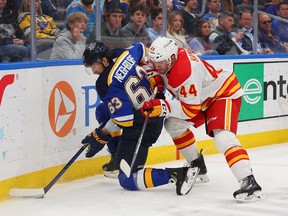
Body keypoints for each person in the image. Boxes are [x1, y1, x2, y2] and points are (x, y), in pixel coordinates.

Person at [145, 36, 264, 202]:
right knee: (173, 125)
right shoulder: (165, 58)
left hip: (222, 94)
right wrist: (153, 74)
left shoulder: (184, 71)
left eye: (160, 63)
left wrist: (163, 106)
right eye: (154, 62)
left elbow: (189, 110)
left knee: (223, 137)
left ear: (172, 59)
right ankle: (197, 166)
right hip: (201, 99)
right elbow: (144, 59)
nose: (156, 66)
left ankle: (249, 184)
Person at [81, 40, 199, 195]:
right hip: (155, 104)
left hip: (144, 123)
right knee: (103, 110)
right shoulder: (123, 53)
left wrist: (100, 135)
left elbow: (124, 120)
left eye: (93, 66)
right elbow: (142, 48)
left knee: (128, 180)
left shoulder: (104, 84)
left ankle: (177, 174)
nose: (93, 71)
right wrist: (152, 73)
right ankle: (117, 156)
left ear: (104, 61)